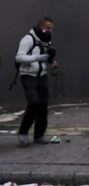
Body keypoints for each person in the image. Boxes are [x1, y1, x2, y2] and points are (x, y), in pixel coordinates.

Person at [14, 17, 57, 146]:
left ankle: (39, 136)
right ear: (41, 27)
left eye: (51, 29)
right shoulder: (28, 39)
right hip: (28, 75)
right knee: (34, 103)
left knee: (43, 106)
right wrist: (37, 58)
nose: (49, 31)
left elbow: (45, 55)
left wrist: (51, 62)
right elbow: (19, 57)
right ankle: (23, 133)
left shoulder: (46, 39)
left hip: (42, 75)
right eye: (48, 28)